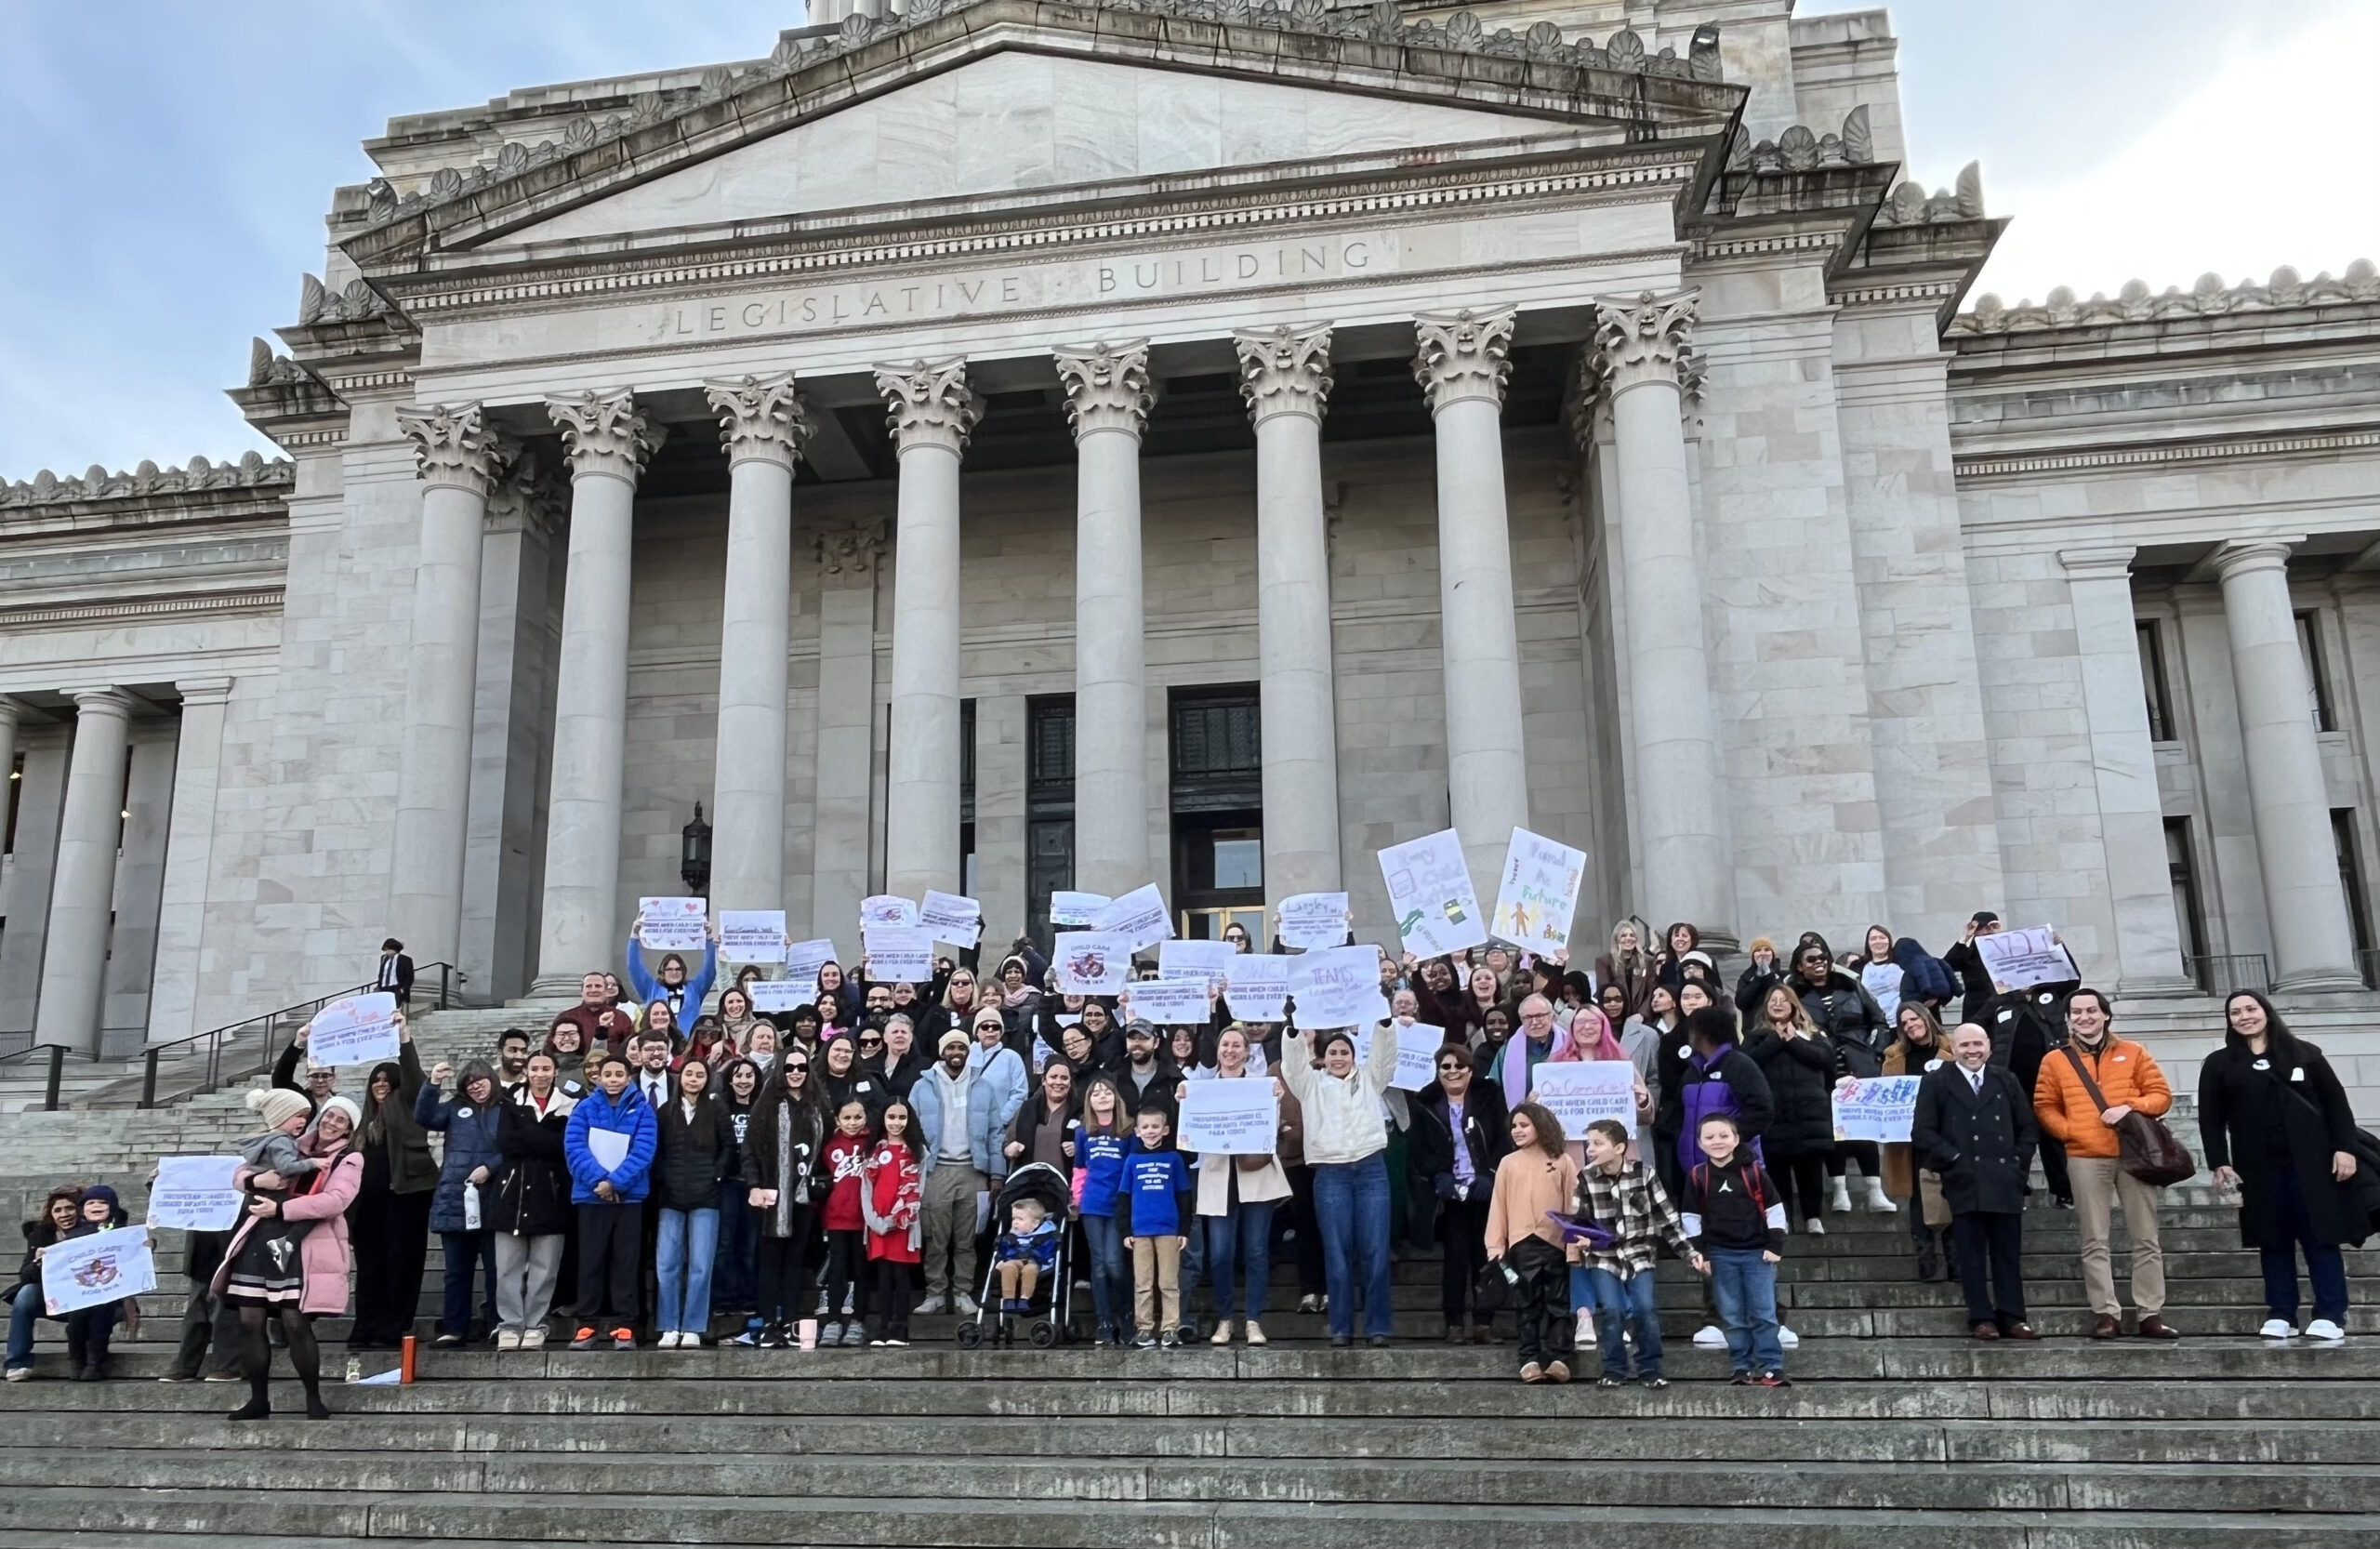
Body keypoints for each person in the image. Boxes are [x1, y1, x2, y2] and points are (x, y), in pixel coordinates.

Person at [2199, 989, 2367, 1343]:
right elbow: (2211, 1119)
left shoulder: (2304, 1053)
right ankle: (2281, 1313)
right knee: (2271, 1239)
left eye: (2250, 1009)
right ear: (2229, 1020)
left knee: (2320, 1236)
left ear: (2266, 1012)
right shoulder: (2219, 1063)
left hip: (2313, 1162)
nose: (2244, 1016)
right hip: (2257, 1166)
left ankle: (2331, 1313)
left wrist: (2344, 1149)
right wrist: (2220, 1163)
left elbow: (2337, 1105)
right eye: (2235, 1012)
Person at [2031, 987, 2179, 1340]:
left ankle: (2150, 1313)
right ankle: (2106, 1313)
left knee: (2146, 1238)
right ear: (2068, 1019)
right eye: (2077, 1012)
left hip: (2133, 1154)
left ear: (2106, 1015)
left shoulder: (2133, 1052)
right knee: (2094, 1239)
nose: (2085, 1017)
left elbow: (2160, 1096)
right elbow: (2044, 1105)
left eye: (2091, 1011)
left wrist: (2129, 1106)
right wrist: (2071, 1132)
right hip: (2085, 1155)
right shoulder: (2055, 1060)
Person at [218, 1093, 364, 1420]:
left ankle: (313, 1399)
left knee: (294, 1322)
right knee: (249, 1320)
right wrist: (258, 1180)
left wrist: (281, 1208)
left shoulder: (349, 1159)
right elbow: (240, 1173)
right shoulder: (291, 1141)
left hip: (301, 1244)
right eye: (329, 1116)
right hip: (261, 1237)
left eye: (341, 1120)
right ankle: (258, 1400)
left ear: (349, 1129)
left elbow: (336, 1200)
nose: (332, 1123)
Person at [1911, 1023, 2039, 1341]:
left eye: (1978, 1044)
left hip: (2004, 1179)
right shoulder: (1937, 1081)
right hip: (1963, 1181)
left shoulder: (2005, 1079)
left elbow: (2027, 1128)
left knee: (2007, 1253)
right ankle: (1981, 1317)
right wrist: (1954, 1161)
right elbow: (1923, 1133)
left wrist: (2016, 1165)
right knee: (1969, 1254)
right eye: (1965, 1045)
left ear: (1989, 1047)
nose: (1972, 1050)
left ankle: (2013, 1316)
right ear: (1953, 1049)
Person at [1281, 1023, 1401, 1347]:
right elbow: (1292, 1066)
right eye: (1332, 1052)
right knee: (1336, 1253)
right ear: (1324, 1056)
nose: (1338, 1058)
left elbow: (1385, 1057)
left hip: (1371, 1169)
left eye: (1344, 1052)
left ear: (1353, 1056)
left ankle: (1378, 1328)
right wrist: (1292, 1033)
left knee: (1376, 1251)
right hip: (1331, 1173)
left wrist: (1384, 1025)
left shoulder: (1370, 1081)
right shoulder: (1312, 1086)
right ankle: (1341, 1328)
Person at [1574, 1118, 1700, 1387]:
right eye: (1588, 1144)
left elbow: (1666, 1218)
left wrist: (1688, 1252)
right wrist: (1582, 1238)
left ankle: (1651, 1369)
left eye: (1597, 1143)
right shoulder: (1584, 1177)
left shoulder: (1645, 1173)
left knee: (1645, 1308)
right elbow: (1579, 1219)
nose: (1590, 1149)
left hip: (1640, 1252)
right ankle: (1613, 1369)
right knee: (1612, 1310)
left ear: (1619, 1147)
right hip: (1603, 1257)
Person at [1191, 1026, 1289, 1346]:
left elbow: (1269, 1131)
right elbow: (1191, 1133)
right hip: (1218, 1176)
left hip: (1255, 1177)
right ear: (1218, 1051)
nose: (1230, 1050)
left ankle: (1253, 1320)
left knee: (1257, 1251)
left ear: (1248, 1052)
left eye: (1237, 1045)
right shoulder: (1200, 1088)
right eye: (1225, 1045)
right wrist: (1185, 1100)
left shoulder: (1261, 1086)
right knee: (1219, 1254)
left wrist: (1275, 1101)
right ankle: (1224, 1319)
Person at [1408, 1043, 1510, 1343]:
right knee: (1454, 1258)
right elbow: (1419, 1150)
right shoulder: (1425, 1102)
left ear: (1470, 1069)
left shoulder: (1489, 1096)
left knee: (1486, 1255)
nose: (1453, 1072)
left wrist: (1490, 1175)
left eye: (1459, 1066)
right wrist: (1439, 1176)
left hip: (1485, 1190)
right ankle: (1453, 1323)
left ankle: (1484, 1323)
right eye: (1446, 1067)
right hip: (1450, 1195)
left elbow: (1504, 1139)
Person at [1680, 1113, 1790, 1386]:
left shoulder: (1753, 1171)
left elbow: (1775, 1209)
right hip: (1720, 1255)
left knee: (1764, 1312)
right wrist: (1699, 1252)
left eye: (1724, 1135)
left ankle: (1772, 1366)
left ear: (1736, 1139)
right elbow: (1690, 1217)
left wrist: (1774, 1244)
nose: (1717, 1141)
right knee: (1731, 1315)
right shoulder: (1697, 1176)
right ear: (1700, 1143)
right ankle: (1741, 1366)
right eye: (1709, 1137)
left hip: (1757, 1254)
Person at [1787, 936, 1893, 1213]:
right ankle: (1840, 1190)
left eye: (1823, 958)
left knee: (1864, 1128)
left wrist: (1876, 1051)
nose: (1819, 963)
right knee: (1835, 1132)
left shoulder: (1852, 986)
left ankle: (1875, 1191)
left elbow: (1879, 1020)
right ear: (1799, 966)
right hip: (1823, 1068)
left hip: (1858, 1063)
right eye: (1811, 959)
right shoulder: (1794, 995)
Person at [346, 1020, 435, 1349]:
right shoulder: (362, 1119)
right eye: (376, 1080)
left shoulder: (408, 1103)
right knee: (370, 1269)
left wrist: (404, 1040)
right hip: (369, 1205)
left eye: (386, 1080)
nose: (381, 1084)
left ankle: (393, 1327)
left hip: (407, 1196)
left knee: (402, 1264)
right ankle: (365, 1326)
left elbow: (414, 1078)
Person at [562, 1054, 658, 1350]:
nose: (614, 1079)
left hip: (629, 1199)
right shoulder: (584, 1108)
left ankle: (626, 1326)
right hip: (591, 1197)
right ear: (598, 1077)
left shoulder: (642, 1110)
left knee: (626, 1263)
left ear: (629, 1077)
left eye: (619, 1074)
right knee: (590, 1261)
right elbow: (574, 1148)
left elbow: (644, 1151)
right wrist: (599, 1182)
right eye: (608, 1074)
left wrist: (616, 1183)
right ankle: (586, 1325)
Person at [1483, 1102, 1580, 1384]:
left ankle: (1560, 1357)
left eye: (1524, 1125)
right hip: (1522, 1244)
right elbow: (1498, 1206)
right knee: (1527, 1303)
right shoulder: (1508, 1163)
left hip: (1555, 1244)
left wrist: (1572, 1246)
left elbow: (1573, 1206)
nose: (1517, 1130)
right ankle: (1529, 1358)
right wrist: (1495, 1245)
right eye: (1514, 1126)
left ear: (1541, 1124)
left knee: (1558, 1303)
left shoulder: (1562, 1160)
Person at [488, 1052, 574, 1349]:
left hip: (550, 1195)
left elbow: (564, 1147)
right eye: (534, 1068)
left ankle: (536, 1322)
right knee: (508, 1267)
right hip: (510, 1196)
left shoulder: (569, 1105)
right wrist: (544, 1138)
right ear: (527, 1072)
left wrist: (530, 1137)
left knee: (545, 1267)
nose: (540, 1074)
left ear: (555, 1072)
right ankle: (510, 1323)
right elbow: (506, 1143)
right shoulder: (509, 1103)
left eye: (546, 1068)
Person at [416, 1058, 503, 1347]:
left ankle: (497, 1324)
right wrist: (433, 1084)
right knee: (456, 1272)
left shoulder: (507, 1108)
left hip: (493, 1199)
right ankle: (454, 1328)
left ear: (491, 1079)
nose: (475, 1086)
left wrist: (490, 1167)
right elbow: (425, 1117)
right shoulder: (455, 1108)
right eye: (469, 1083)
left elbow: (514, 1145)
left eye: (479, 1080)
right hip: (455, 1200)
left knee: (496, 1269)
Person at [742, 1050, 826, 1347]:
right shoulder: (766, 1106)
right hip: (771, 1195)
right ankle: (767, 1323)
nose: (795, 1072)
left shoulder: (818, 1106)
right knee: (770, 1262)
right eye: (789, 1067)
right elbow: (749, 1149)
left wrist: (822, 1184)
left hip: (805, 1198)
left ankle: (790, 1321)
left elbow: (826, 1153)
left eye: (801, 1067)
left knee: (795, 1262)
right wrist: (753, 1184)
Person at [651, 1054, 733, 1348]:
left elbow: (728, 1147)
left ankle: (693, 1326)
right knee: (667, 1264)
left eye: (699, 1075)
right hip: (670, 1197)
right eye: (689, 1074)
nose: (693, 1079)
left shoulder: (716, 1109)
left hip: (706, 1197)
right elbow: (656, 1151)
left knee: (701, 1264)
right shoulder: (664, 1112)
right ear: (680, 1078)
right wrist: (664, 1177)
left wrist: (717, 1176)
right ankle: (669, 1325)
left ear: (707, 1079)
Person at [1743, 986, 1839, 1235]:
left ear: (1794, 1005)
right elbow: (1749, 1062)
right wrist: (1776, 1040)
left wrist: (1793, 1040)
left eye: (1783, 1000)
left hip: (1809, 1113)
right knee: (1777, 1169)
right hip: (1774, 1114)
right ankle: (1782, 1217)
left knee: (1810, 1168)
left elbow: (1826, 1061)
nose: (1777, 1004)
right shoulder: (1756, 1036)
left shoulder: (1813, 1033)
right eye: (1772, 1000)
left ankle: (1813, 1216)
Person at [1881, 1004, 1954, 1280]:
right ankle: (1926, 1262)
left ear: (1927, 1018)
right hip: (1909, 1140)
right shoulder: (1893, 1058)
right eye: (1904, 1022)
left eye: (1914, 1018)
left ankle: (1956, 1260)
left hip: (1947, 1137)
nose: (1911, 1025)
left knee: (1952, 1194)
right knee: (1917, 1200)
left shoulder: (1953, 1051)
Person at [1117, 1107, 1193, 1348]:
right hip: (1140, 1230)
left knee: (1169, 1282)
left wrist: (1184, 1230)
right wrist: (1125, 1231)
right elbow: (1124, 1197)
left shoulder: (1174, 1158)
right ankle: (1144, 1328)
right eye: (1145, 1127)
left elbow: (1184, 1196)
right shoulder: (1132, 1160)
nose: (1150, 1131)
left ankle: (1171, 1328)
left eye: (1155, 1126)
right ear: (1138, 1131)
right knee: (1143, 1282)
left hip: (1169, 1229)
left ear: (1166, 1130)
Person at [1072, 1074, 1137, 1346]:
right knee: (1098, 1266)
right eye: (1096, 1093)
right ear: (1089, 1100)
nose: (1102, 1096)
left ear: (1115, 1097)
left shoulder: (1128, 1130)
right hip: (1092, 1204)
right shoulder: (1083, 1131)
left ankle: (1126, 1315)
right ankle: (1104, 1322)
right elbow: (1080, 1167)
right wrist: (1075, 1198)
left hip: (1118, 1204)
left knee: (1115, 1264)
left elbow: (1132, 1168)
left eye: (1107, 1092)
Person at [863, 1099, 925, 1346]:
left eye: (901, 1117)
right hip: (877, 1224)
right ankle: (883, 1327)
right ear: (883, 1119)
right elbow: (866, 1189)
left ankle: (900, 1328)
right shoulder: (873, 1150)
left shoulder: (918, 1151)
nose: (896, 1123)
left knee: (901, 1276)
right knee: (883, 1277)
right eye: (891, 1117)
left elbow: (917, 1190)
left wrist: (896, 1219)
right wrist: (875, 1221)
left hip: (903, 1225)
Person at [819, 1098, 874, 1347]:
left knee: (860, 1271)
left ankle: (857, 1321)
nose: (853, 1123)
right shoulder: (829, 1146)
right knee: (837, 1270)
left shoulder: (872, 1144)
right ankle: (833, 1319)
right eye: (847, 1118)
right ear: (838, 1120)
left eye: (858, 1117)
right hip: (836, 1218)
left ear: (865, 1117)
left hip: (864, 1219)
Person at [626, 910, 719, 1028]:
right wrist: (634, 937)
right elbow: (634, 968)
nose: (674, 972)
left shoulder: (694, 988)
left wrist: (709, 939)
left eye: (678, 969)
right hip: (659, 1041)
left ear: (684, 971)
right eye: (669, 969)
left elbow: (709, 971)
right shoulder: (651, 988)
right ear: (662, 972)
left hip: (687, 1042)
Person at [991, 1197, 1060, 1317]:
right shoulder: (1011, 1236)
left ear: (1035, 1223)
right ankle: (1009, 1299)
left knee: (1030, 1269)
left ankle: (1025, 1299)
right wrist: (1002, 1259)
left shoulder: (1045, 1235)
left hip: (1036, 1262)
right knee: (1008, 1267)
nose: (1015, 1222)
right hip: (1014, 1260)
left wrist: (1033, 1256)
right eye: (1014, 1219)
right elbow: (1004, 1250)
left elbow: (1047, 1251)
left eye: (1020, 1219)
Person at [1595, 919, 1659, 1022]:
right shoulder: (1604, 961)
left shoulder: (1648, 961)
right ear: (1616, 939)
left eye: (1632, 935)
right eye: (1623, 935)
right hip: (1615, 1018)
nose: (1628, 939)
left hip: (1641, 1019)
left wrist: (1641, 1015)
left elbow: (1651, 990)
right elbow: (1604, 992)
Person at [377, 937, 414, 1009]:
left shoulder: (405, 960)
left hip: (396, 988)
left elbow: (409, 977)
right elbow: (381, 974)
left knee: (395, 1008)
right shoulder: (384, 958)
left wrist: (403, 989)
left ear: (394, 949)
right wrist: (379, 986)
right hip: (384, 987)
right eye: (386, 950)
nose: (387, 952)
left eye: (388, 949)